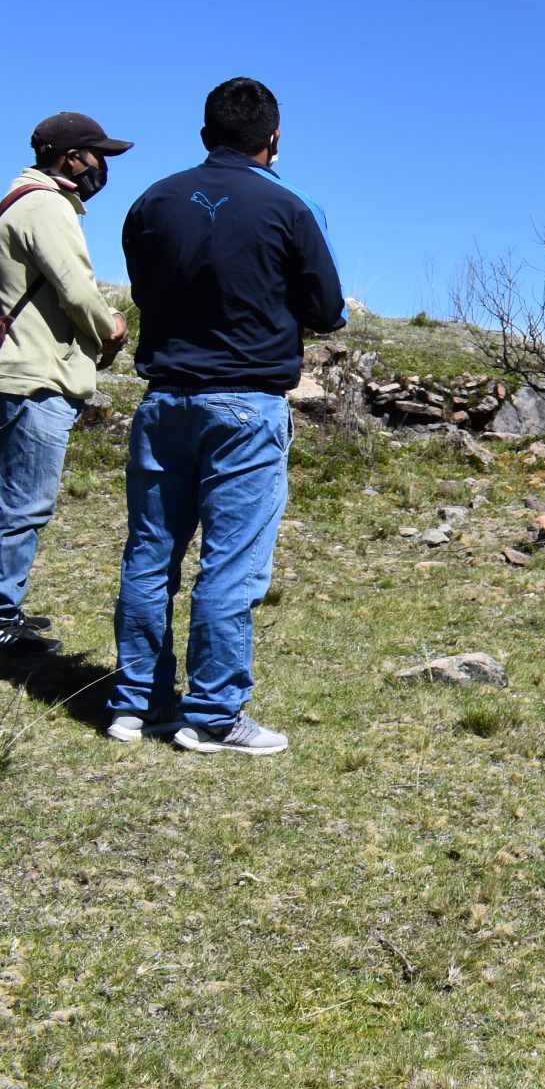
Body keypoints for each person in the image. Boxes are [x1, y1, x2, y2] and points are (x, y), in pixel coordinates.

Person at [109, 79, 344, 754]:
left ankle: (137, 701)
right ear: (273, 138)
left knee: (151, 552)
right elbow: (327, 311)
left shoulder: (150, 201)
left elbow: (144, 287)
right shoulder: (289, 208)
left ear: (205, 131)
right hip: (246, 400)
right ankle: (212, 714)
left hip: (164, 398)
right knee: (231, 562)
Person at [0, 114, 132, 652]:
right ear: (69, 156)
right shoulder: (47, 207)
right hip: (35, 376)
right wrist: (111, 327)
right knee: (21, 502)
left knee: (12, 497)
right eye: (95, 154)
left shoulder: (23, 200)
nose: (100, 166)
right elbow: (76, 289)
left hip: (15, 371)